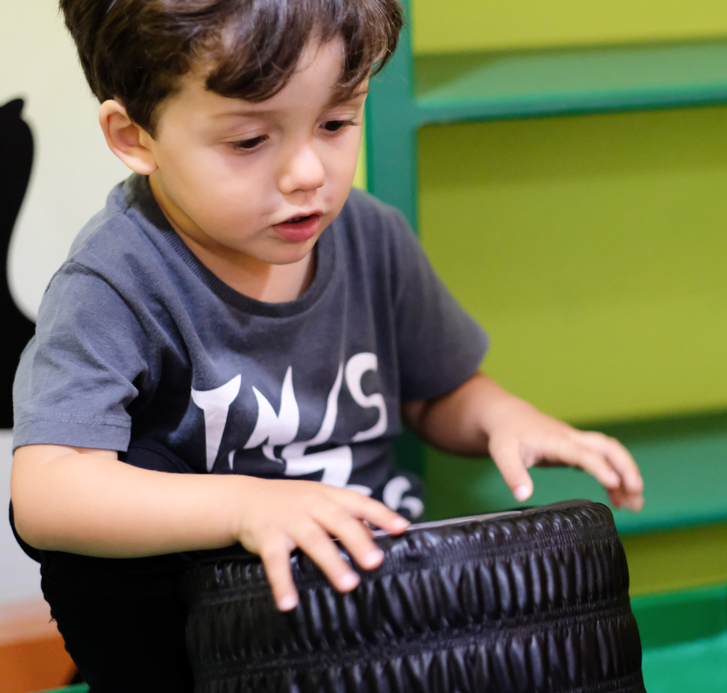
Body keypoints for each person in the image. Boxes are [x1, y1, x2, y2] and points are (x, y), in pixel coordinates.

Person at [9, 0, 644, 689]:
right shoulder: (116, 280)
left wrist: (503, 417)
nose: (308, 172)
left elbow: (439, 394)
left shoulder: (372, 237)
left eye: (337, 122)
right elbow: (47, 491)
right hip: (208, 630)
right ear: (135, 136)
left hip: (366, 612)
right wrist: (247, 505)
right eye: (251, 141)